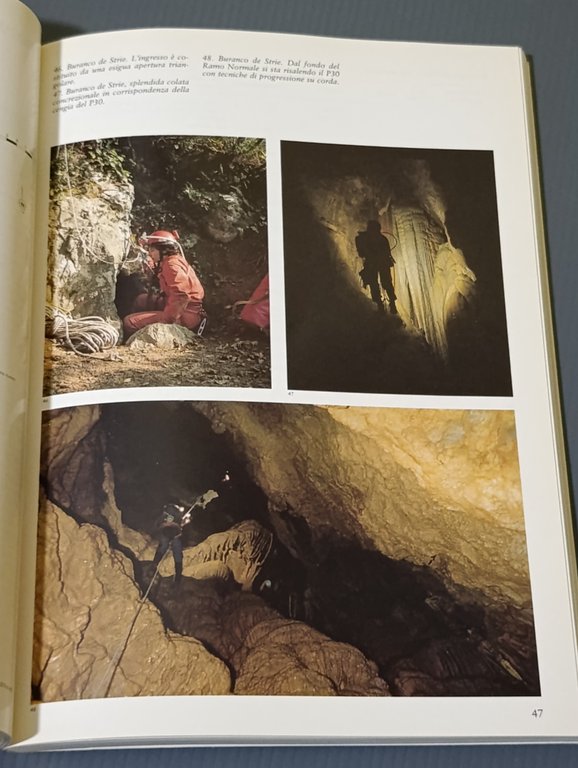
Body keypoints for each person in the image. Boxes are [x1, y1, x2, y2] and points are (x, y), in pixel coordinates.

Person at [123, 230, 206, 339]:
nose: (150, 253)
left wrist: (167, 320)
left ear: (163, 250)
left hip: (184, 315)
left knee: (129, 323)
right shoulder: (170, 261)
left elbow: (181, 295)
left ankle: (134, 339)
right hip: (179, 307)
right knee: (140, 300)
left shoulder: (172, 265)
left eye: (152, 250)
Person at [355, 219, 397, 314]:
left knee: (377, 283)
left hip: (375, 263)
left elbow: (362, 253)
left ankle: (382, 305)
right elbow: (387, 253)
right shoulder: (382, 239)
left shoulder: (369, 239)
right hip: (378, 263)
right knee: (383, 282)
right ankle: (389, 304)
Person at [152, 502, 190, 585]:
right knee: (168, 548)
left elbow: (161, 525)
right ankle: (177, 577)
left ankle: (155, 566)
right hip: (170, 534)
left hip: (173, 535)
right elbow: (164, 524)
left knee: (168, 548)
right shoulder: (171, 514)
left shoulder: (172, 514)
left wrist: (179, 527)